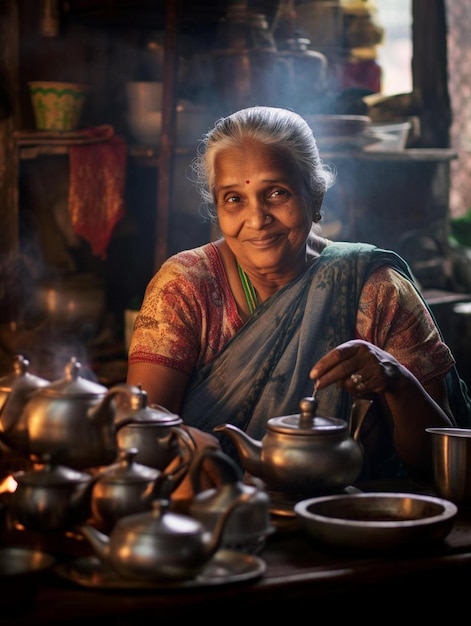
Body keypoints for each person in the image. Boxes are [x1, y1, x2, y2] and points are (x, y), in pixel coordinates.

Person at [126, 105, 471, 493]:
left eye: (277, 193)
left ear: (316, 196)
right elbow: (142, 430)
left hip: (349, 524)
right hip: (218, 520)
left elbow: (436, 462)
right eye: (234, 199)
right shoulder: (186, 286)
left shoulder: (376, 289)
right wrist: (186, 439)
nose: (256, 219)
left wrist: (397, 381)